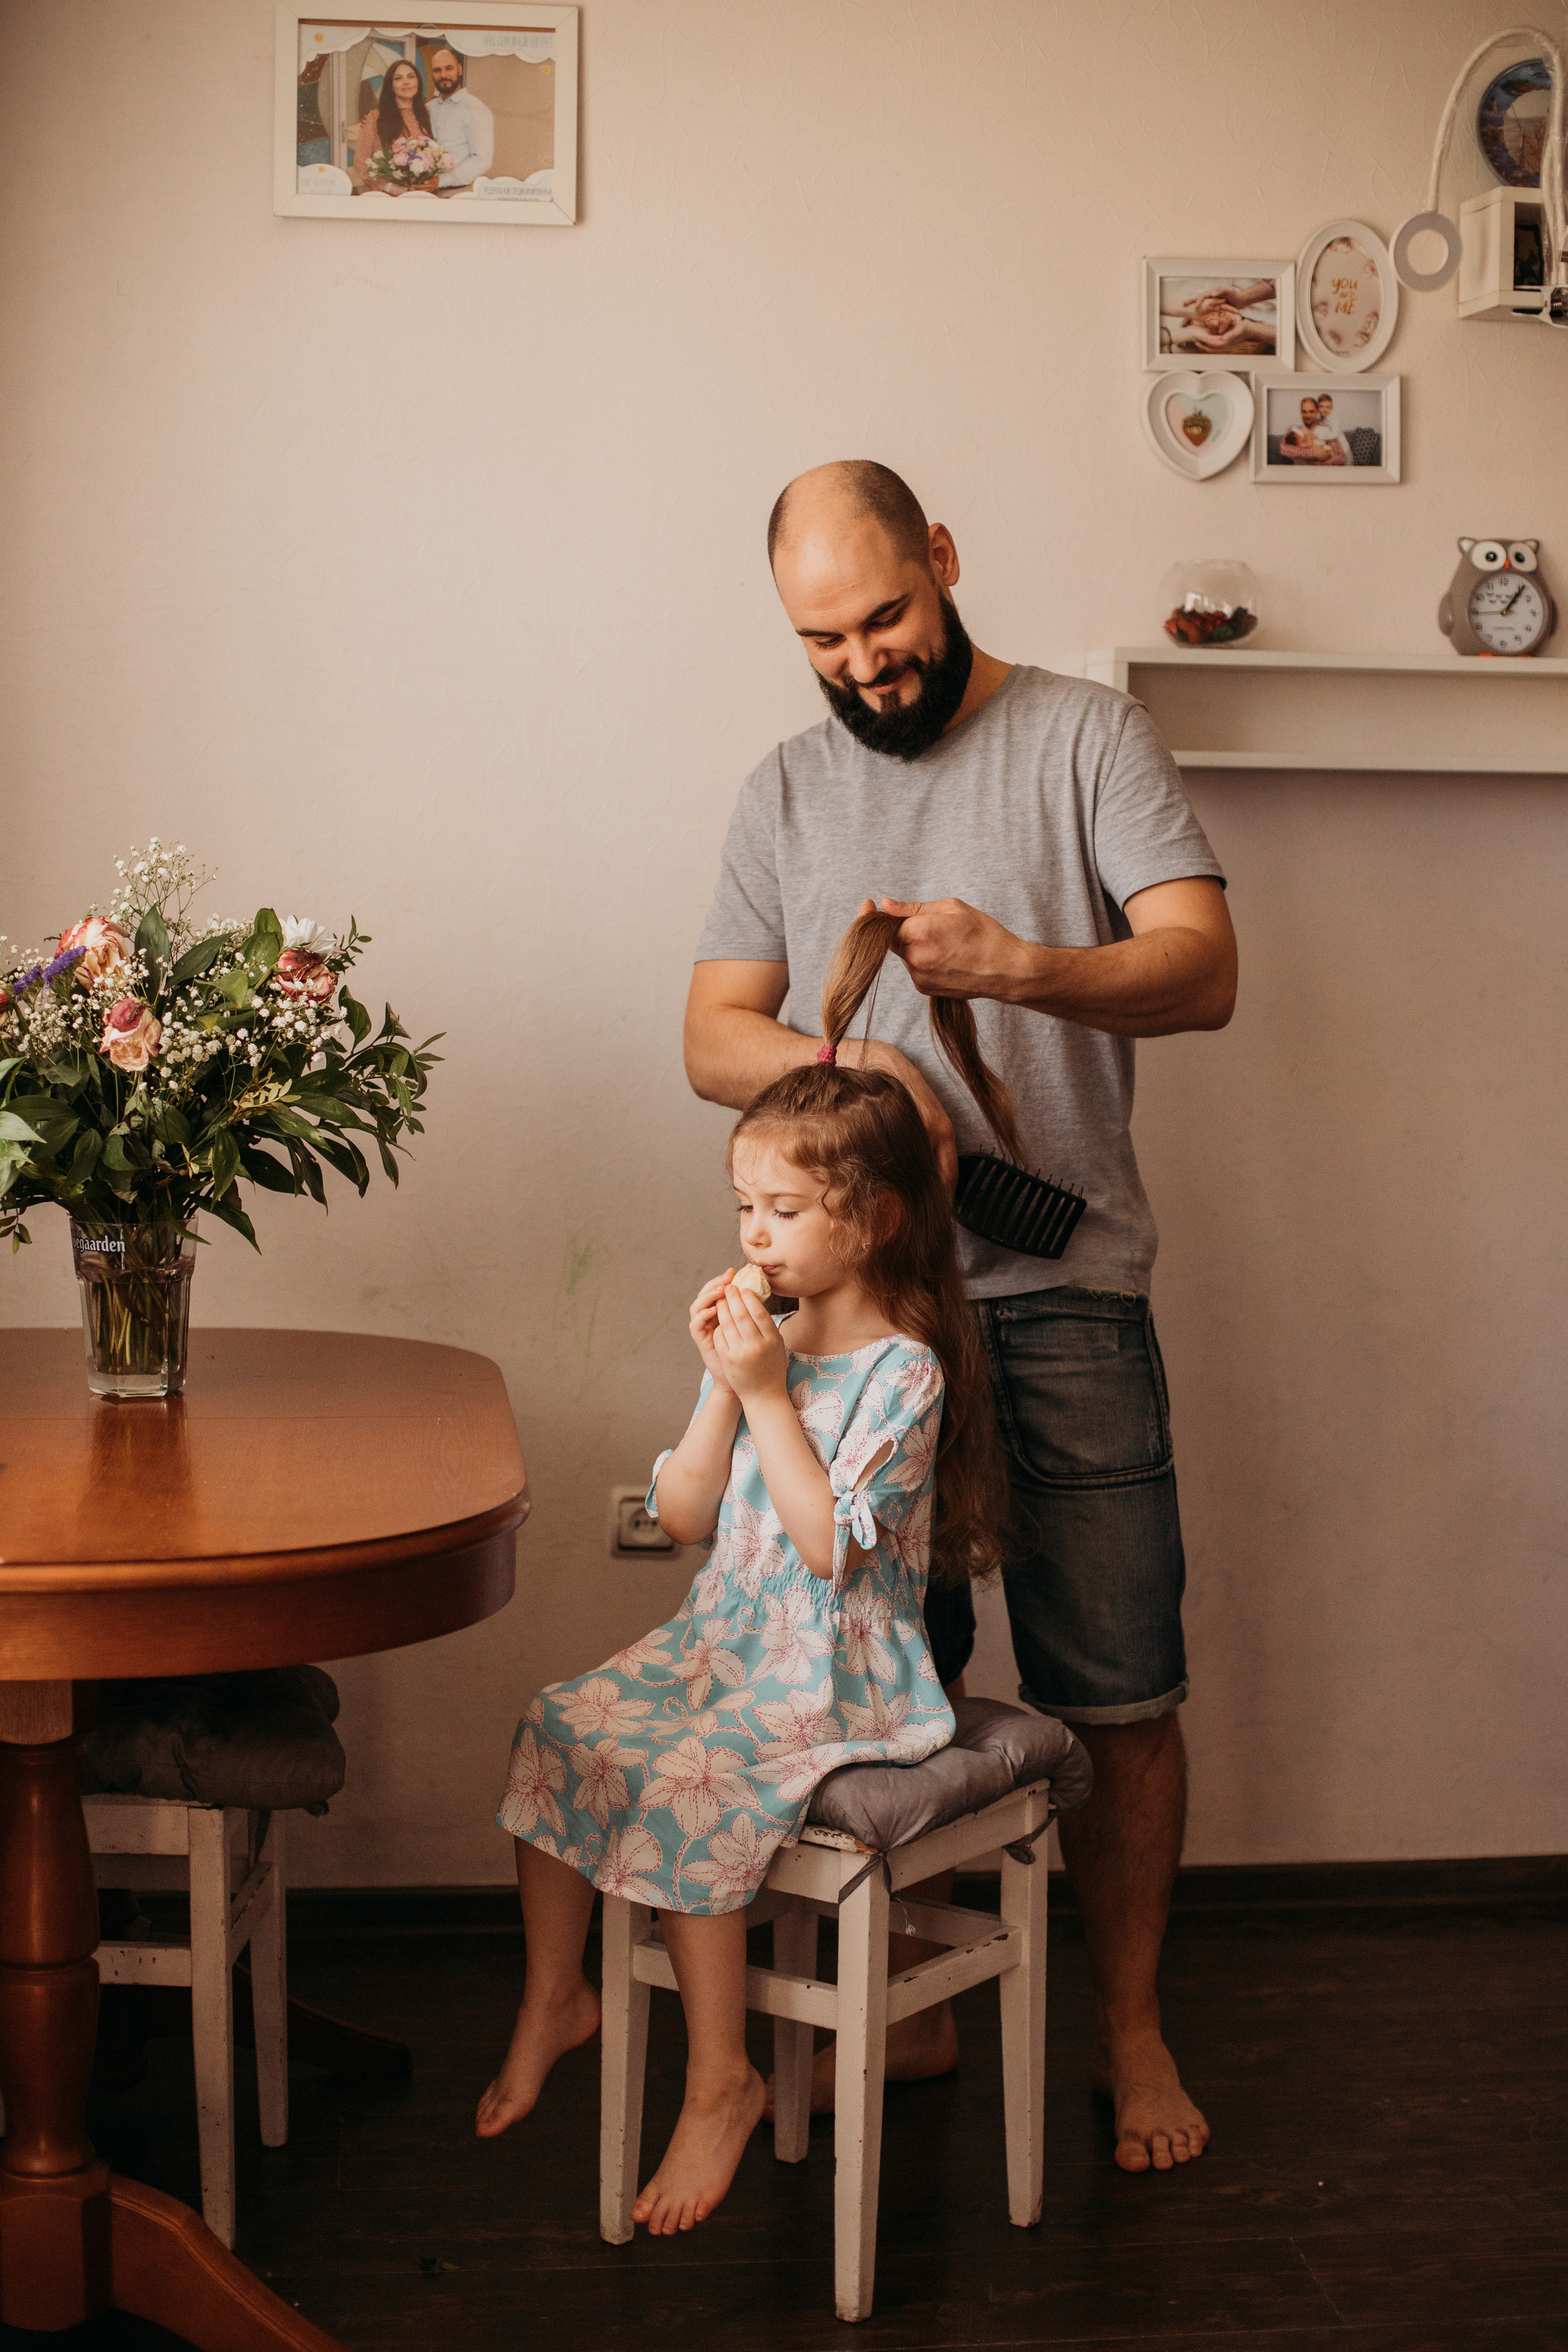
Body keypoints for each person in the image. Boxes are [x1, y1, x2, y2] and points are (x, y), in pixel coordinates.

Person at [683, 459, 1238, 2173]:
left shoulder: (1086, 740)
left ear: (945, 558)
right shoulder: (783, 791)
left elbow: (1203, 970)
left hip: (1065, 1298)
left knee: (1118, 1687)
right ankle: (905, 2015)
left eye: (889, 617)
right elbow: (714, 1037)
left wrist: (1020, 971)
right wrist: (866, 1073)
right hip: (852, 1333)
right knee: (875, 1687)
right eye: (824, 639)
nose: (864, 663)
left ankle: (1129, 2038)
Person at [477, 914, 1012, 2232]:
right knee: (560, 1722)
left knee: (693, 1779)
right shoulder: (763, 1336)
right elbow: (679, 1521)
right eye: (743, 1210)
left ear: (873, 1217)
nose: (755, 1237)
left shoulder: (902, 1370)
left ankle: (718, 2081)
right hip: (724, 1642)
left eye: (783, 1212)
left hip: (842, 1679)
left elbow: (833, 1553)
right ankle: (559, 1995)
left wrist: (768, 1393)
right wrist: (724, 1392)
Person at [350, 59, 438, 194]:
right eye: (398, 78)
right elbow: (361, 164)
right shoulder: (375, 118)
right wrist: (391, 188)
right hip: (386, 197)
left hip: (420, 196)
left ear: (418, 82)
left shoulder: (427, 115)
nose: (406, 82)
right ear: (391, 86)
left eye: (411, 77)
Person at [427, 45, 494, 188]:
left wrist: (443, 181)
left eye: (449, 68)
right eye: (437, 70)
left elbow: (482, 160)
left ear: (460, 70)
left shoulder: (476, 108)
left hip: (457, 191)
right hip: (427, 190)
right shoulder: (428, 108)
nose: (443, 75)